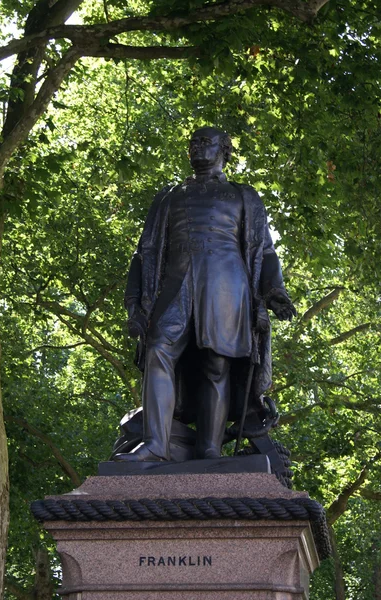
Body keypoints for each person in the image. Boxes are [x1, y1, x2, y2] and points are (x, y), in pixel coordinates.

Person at [114, 126, 295, 462]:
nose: (197, 148)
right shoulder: (169, 196)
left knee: (217, 364)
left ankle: (210, 450)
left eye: (205, 142)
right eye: (192, 143)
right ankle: (155, 444)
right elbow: (145, 252)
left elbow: (263, 250)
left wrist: (275, 291)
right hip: (174, 283)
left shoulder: (244, 195)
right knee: (158, 351)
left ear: (224, 150)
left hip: (227, 284)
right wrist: (133, 302)